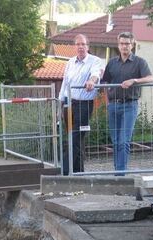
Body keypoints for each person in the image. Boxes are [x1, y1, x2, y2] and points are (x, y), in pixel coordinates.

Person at [102, 32, 153, 175]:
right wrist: (108, 102)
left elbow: (150, 78)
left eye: (127, 43)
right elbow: (105, 82)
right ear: (118, 45)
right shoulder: (112, 63)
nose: (124, 46)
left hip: (130, 105)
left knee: (124, 141)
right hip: (113, 105)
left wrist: (134, 80)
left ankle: (120, 175)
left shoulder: (139, 62)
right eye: (122, 43)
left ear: (132, 45)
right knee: (116, 141)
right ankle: (118, 171)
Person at [58, 34, 104, 175]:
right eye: (78, 44)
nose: (80, 47)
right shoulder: (70, 62)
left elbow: (96, 74)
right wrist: (60, 104)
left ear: (88, 46)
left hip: (84, 105)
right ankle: (78, 171)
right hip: (68, 103)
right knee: (72, 136)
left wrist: (92, 80)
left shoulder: (95, 61)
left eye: (83, 44)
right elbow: (65, 83)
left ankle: (65, 171)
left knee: (76, 136)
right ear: (75, 47)